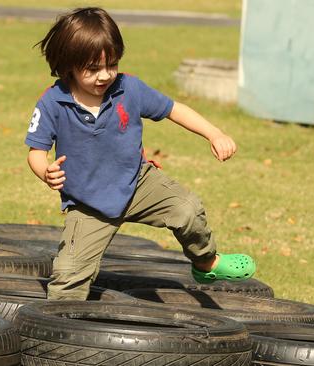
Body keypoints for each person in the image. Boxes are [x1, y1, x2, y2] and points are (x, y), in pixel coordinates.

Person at [25, 7, 256, 300]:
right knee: (68, 279)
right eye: (93, 69)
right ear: (69, 64)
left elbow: (174, 109)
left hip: (138, 183)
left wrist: (215, 133)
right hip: (88, 203)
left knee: (187, 209)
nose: (105, 75)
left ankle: (206, 262)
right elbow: (36, 150)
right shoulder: (52, 102)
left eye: (112, 65)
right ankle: (55, 332)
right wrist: (45, 171)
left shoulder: (129, 88)